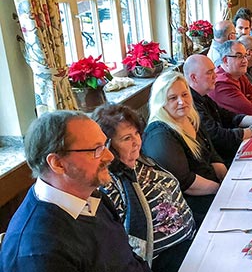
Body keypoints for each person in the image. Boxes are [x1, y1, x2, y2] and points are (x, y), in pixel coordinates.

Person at [0, 111, 150, 271]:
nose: (110, 157)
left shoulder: (89, 194)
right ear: (57, 163)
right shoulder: (38, 252)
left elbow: (126, 257)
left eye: (105, 145)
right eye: (96, 150)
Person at [92, 104, 195, 272]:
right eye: (126, 138)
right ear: (108, 146)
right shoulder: (110, 185)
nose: (136, 142)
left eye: (137, 134)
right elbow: (124, 243)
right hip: (163, 258)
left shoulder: (141, 162)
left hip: (189, 235)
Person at [142, 71, 227, 224]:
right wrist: (222, 190)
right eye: (173, 98)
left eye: (185, 94)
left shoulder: (189, 117)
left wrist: (226, 179)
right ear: (160, 102)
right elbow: (186, 183)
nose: (182, 101)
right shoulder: (160, 134)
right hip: (191, 207)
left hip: (211, 188)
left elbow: (211, 153)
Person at [183, 54, 252, 166]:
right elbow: (218, 136)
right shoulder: (191, 103)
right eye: (209, 73)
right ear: (194, 77)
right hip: (220, 160)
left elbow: (229, 116)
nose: (215, 76)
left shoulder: (203, 96)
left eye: (214, 71)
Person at [208, 40, 252, 115]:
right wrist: (251, 98)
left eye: (245, 56)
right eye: (239, 56)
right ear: (225, 60)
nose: (245, 61)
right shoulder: (221, 84)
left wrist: (251, 99)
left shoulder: (238, 74)